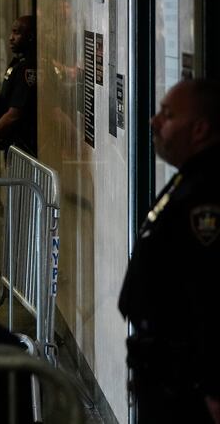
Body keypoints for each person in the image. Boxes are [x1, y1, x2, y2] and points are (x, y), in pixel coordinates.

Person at [119, 79, 220, 424]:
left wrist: (213, 387)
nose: (154, 121)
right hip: (164, 371)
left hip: (186, 382)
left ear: (200, 129)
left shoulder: (206, 195)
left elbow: (211, 294)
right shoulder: (186, 180)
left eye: (167, 114)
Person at [0, 15, 36, 156]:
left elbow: (14, 114)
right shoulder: (18, 63)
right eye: (12, 32)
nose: (11, 38)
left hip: (23, 144)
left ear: (30, 37)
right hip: (13, 143)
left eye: (17, 33)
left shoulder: (27, 68)